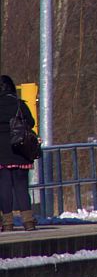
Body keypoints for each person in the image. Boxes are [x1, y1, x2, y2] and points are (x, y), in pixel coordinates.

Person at [0, 75, 36, 231]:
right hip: (19, 149)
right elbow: (31, 122)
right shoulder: (19, 104)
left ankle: (7, 222)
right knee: (21, 186)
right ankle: (28, 221)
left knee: (4, 186)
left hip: (1, 152)